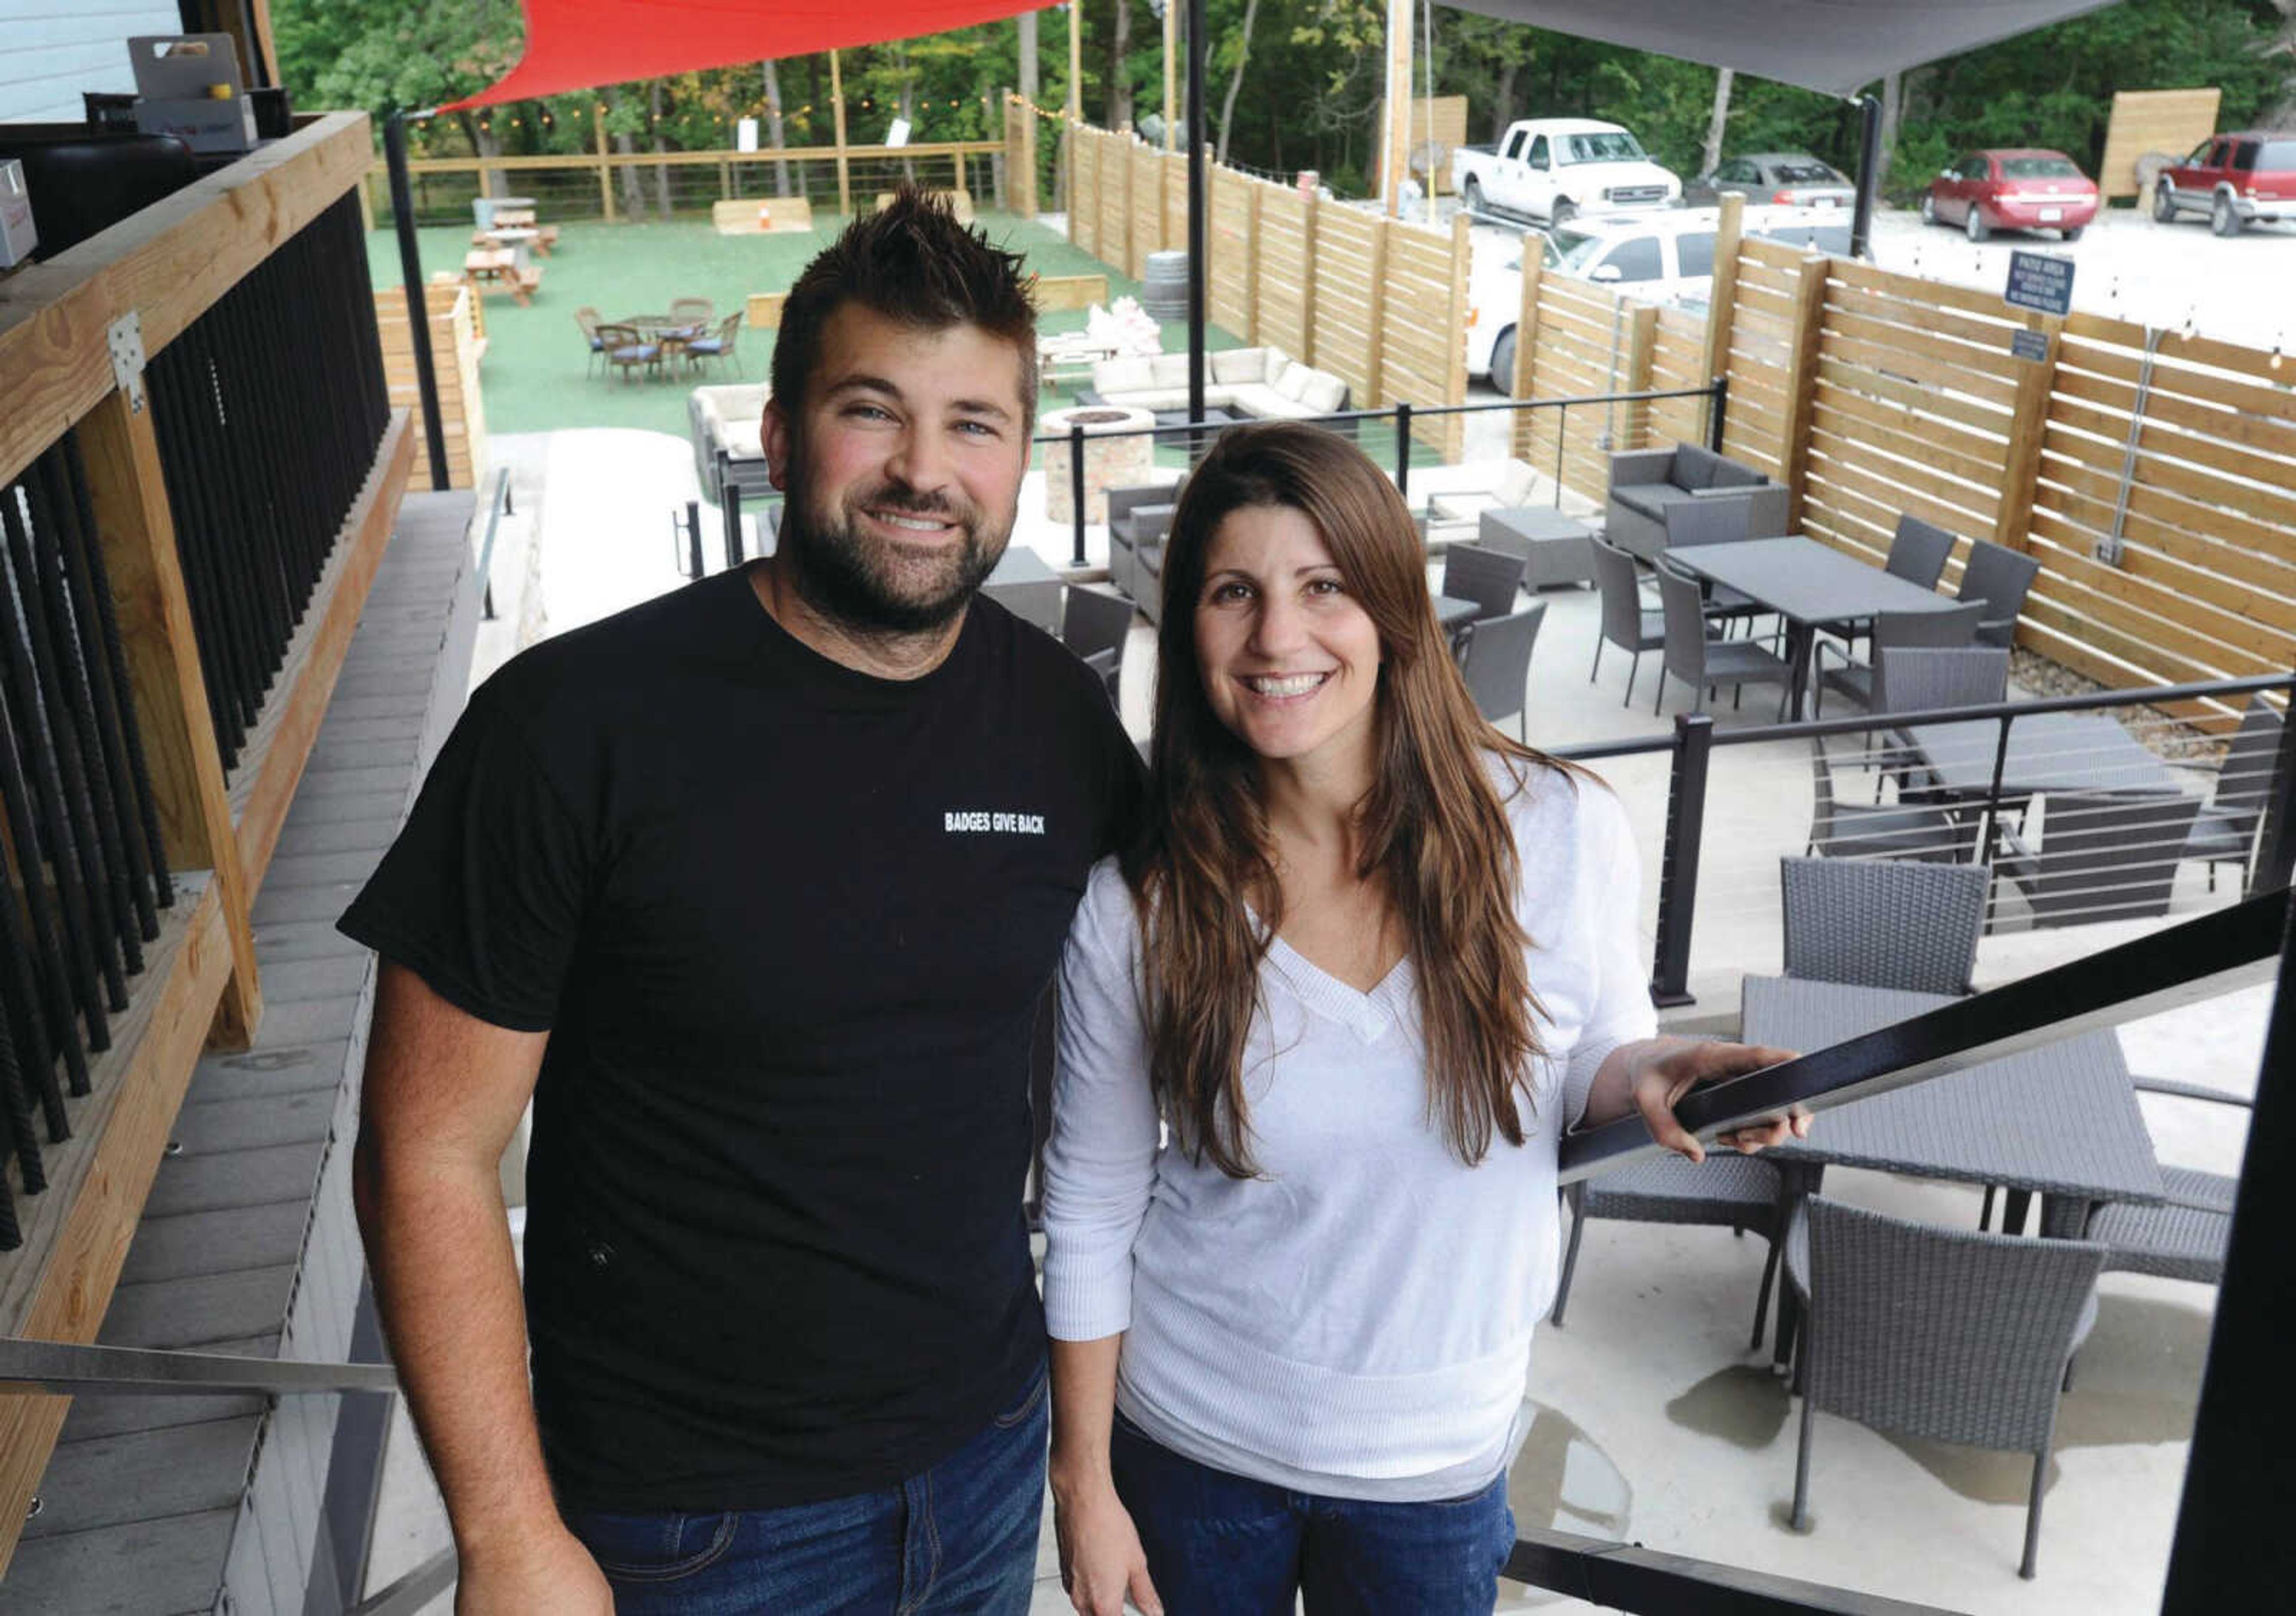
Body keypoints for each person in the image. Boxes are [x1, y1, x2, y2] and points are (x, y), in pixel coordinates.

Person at [343, 188, 1141, 1614]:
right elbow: (427, 1152)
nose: (922, 469)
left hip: (984, 1458)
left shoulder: (1056, 723)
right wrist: (510, 1533)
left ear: (1023, 459)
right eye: (871, 410)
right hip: (689, 1521)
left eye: (974, 424)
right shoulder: (572, 728)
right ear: (777, 436)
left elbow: (1240, 944)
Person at [1040, 422, 1805, 1616]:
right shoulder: (1139, 903)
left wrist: (1654, 1069)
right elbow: (1088, 1206)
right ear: (1185, 628)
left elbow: (1600, 1048)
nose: (1277, 637)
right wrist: (1082, 1484)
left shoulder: (1555, 831)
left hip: (1435, 1464)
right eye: (1233, 592)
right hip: (1192, 1449)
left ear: (1392, 608)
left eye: (1324, 587)